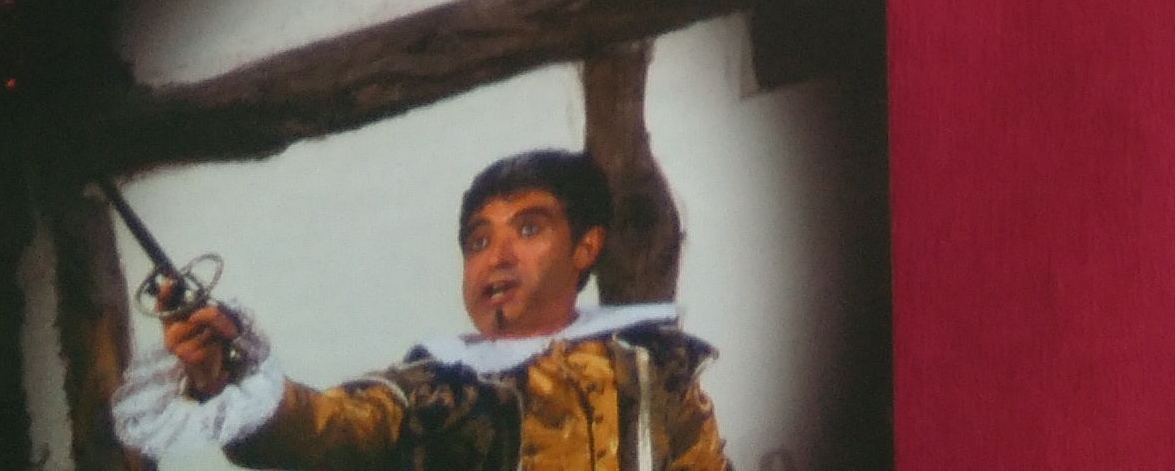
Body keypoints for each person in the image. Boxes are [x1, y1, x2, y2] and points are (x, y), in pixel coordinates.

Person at [110, 147, 725, 471]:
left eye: (528, 229)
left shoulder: (657, 372)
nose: (497, 258)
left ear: (585, 247)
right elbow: (329, 430)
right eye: (478, 241)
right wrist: (226, 377)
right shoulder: (434, 389)